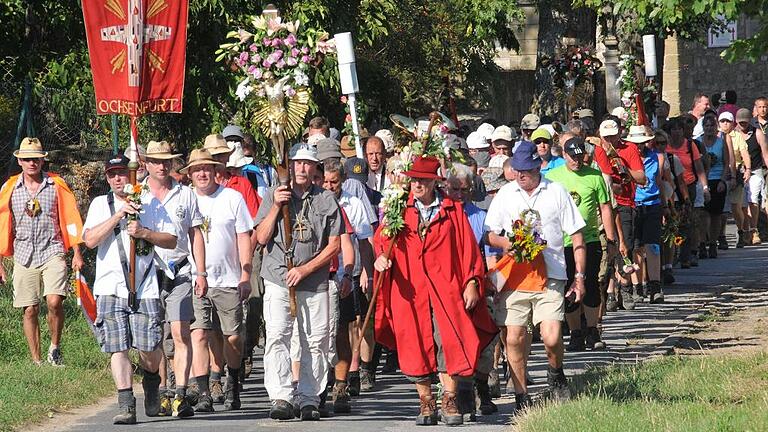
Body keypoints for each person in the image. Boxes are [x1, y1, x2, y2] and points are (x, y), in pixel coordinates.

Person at [372, 155, 497, 426]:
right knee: (415, 342)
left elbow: (469, 250)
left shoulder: (452, 210)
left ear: (434, 182)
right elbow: (382, 239)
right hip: (411, 289)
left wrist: (473, 282)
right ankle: (426, 402)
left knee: (449, 341)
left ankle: (449, 399)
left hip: (446, 288)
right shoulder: (398, 210)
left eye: (423, 180)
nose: (417, 184)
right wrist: (381, 255)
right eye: (414, 179)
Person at [486, 141, 586, 410]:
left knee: (552, 337)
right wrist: (507, 244)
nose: (521, 175)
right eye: (517, 170)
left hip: (551, 274)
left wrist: (579, 276)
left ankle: (556, 374)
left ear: (537, 166)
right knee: (515, 336)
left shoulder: (556, 191)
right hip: (514, 277)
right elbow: (490, 233)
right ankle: (521, 394)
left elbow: (576, 234)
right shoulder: (506, 194)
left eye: (526, 170)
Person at [82, 154, 177, 424]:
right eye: (112, 174)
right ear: (107, 178)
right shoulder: (101, 204)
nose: (118, 178)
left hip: (144, 286)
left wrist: (145, 233)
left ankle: (150, 381)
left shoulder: (149, 202)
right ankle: (126, 404)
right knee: (118, 347)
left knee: (148, 348)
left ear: (132, 175)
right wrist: (118, 215)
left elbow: (171, 239)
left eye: (122, 173)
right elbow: (89, 240)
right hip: (110, 286)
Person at [255, 143, 342, 421]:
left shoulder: (326, 199)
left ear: (315, 168)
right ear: (289, 165)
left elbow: (334, 245)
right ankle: (281, 395)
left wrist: (305, 270)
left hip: (313, 281)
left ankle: (309, 397)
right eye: (298, 163)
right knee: (278, 335)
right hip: (278, 277)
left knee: (315, 340)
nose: (302, 168)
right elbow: (261, 237)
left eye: (308, 164)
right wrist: (277, 206)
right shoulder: (273, 194)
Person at [0, 137, 84, 366]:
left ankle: (54, 348)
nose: (32, 163)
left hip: (53, 249)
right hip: (23, 252)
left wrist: (76, 252)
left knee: (55, 301)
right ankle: (37, 360)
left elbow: (70, 218)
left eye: (36, 159)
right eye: (27, 159)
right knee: (30, 309)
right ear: (20, 162)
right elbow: (2, 224)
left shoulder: (56, 185)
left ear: (42, 160)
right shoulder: (9, 188)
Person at [141, 141, 207, 418]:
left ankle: (180, 393)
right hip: (148, 272)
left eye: (166, 160)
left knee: (180, 331)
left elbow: (195, 234)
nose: (162, 165)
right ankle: (162, 389)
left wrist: (200, 272)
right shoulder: (137, 192)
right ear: (146, 163)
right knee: (155, 338)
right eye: (156, 161)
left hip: (180, 269)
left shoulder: (185, 194)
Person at [184, 149, 253, 412]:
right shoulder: (187, 199)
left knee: (232, 337)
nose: (202, 173)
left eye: (206, 168)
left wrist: (245, 274)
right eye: (196, 169)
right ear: (189, 174)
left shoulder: (232, 198)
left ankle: (232, 379)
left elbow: (244, 236)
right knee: (199, 333)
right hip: (195, 278)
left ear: (216, 171)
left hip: (229, 278)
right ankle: (203, 393)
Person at [546, 135, 617, 350]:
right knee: (568, 286)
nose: (576, 161)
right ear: (564, 155)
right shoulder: (552, 177)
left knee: (592, 284)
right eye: (572, 157)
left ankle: (593, 330)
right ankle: (575, 332)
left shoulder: (595, 176)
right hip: (562, 242)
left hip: (590, 239)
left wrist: (611, 238)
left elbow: (605, 208)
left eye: (580, 156)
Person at [322, 159, 374, 411]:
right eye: (326, 182)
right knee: (321, 333)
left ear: (342, 181)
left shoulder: (353, 204)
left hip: (345, 271)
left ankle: (343, 382)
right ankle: (323, 381)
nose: (330, 186)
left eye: (334, 182)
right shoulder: (317, 201)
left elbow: (363, 241)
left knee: (344, 328)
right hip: (319, 275)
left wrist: (366, 271)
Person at [593, 118, 647, 309]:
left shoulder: (629, 148)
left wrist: (625, 173)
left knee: (625, 246)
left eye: (613, 135)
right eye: (606, 137)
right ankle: (610, 292)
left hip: (625, 203)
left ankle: (624, 287)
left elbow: (642, 178)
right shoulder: (596, 148)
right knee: (607, 247)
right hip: (601, 203)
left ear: (619, 133)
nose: (610, 140)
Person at [625, 127, 668, 303]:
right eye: (636, 143)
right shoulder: (626, 157)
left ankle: (655, 286)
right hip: (634, 204)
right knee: (635, 246)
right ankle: (637, 286)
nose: (640, 146)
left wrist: (665, 205)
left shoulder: (656, 156)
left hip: (652, 204)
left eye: (643, 142)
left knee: (653, 246)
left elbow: (659, 181)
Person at [696, 114, 731, 258]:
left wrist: (723, 181)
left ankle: (713, 243)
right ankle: (702, 243)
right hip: (702, 180)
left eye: (712, 125)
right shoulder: (698, 142)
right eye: (707, 126)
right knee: (703, 214)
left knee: (716, 214)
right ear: (703, 127)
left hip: (717, 180)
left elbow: (726, 163)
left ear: (716, 127)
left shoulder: (721, 142)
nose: (709, 128)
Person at [735, 108, 768, 245]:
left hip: (755, 170)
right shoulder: (733, 134)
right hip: (739, 172)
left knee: (753, 199)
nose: (743, 125)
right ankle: (744, 230)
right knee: (740, 203)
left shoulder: (757, 133)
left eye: (745, 122)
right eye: (740, 122)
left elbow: (765, 154)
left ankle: (754, 230)